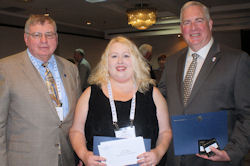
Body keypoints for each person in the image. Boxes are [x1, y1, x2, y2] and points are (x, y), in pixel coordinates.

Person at [158, 1, 250, 166]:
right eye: (187, 22)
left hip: (215, 159)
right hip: (174, 158)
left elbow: (247, 114)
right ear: (181, 28)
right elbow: (159, 102)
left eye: (198, 20)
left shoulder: (236, 60)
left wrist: (232, 152)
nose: (193, 27)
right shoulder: (172, 62)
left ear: (210, 23)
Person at [69, 36, 172, 166]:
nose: (120, 61)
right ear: (106, 62)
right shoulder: (89, 94)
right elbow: (76, 131)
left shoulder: (153, 94)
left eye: (126, 56)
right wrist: (84, 154)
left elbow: (165, 131)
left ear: (135, 60)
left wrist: (158, 152)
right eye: (114, 56)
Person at [0, 14, 81, 166]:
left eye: (49, 35)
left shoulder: (71, 69)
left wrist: (82, 152)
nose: (44, 41)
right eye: (37, 35)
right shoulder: (5, 69)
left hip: (66, 158)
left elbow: (77, 119)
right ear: (26, 38)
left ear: (56, 38)